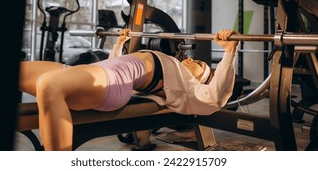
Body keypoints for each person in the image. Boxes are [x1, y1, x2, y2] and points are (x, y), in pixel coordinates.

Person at [19, 28, 239, 150]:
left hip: (114, 82)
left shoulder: (188, 88)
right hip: (96, 70)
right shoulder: (174, 65)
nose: (191, 60)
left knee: (48, 84)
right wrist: (120, 42)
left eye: (199, 65)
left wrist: (229, 52)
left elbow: (216, 97)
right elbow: (116, 62)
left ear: (201, 80)